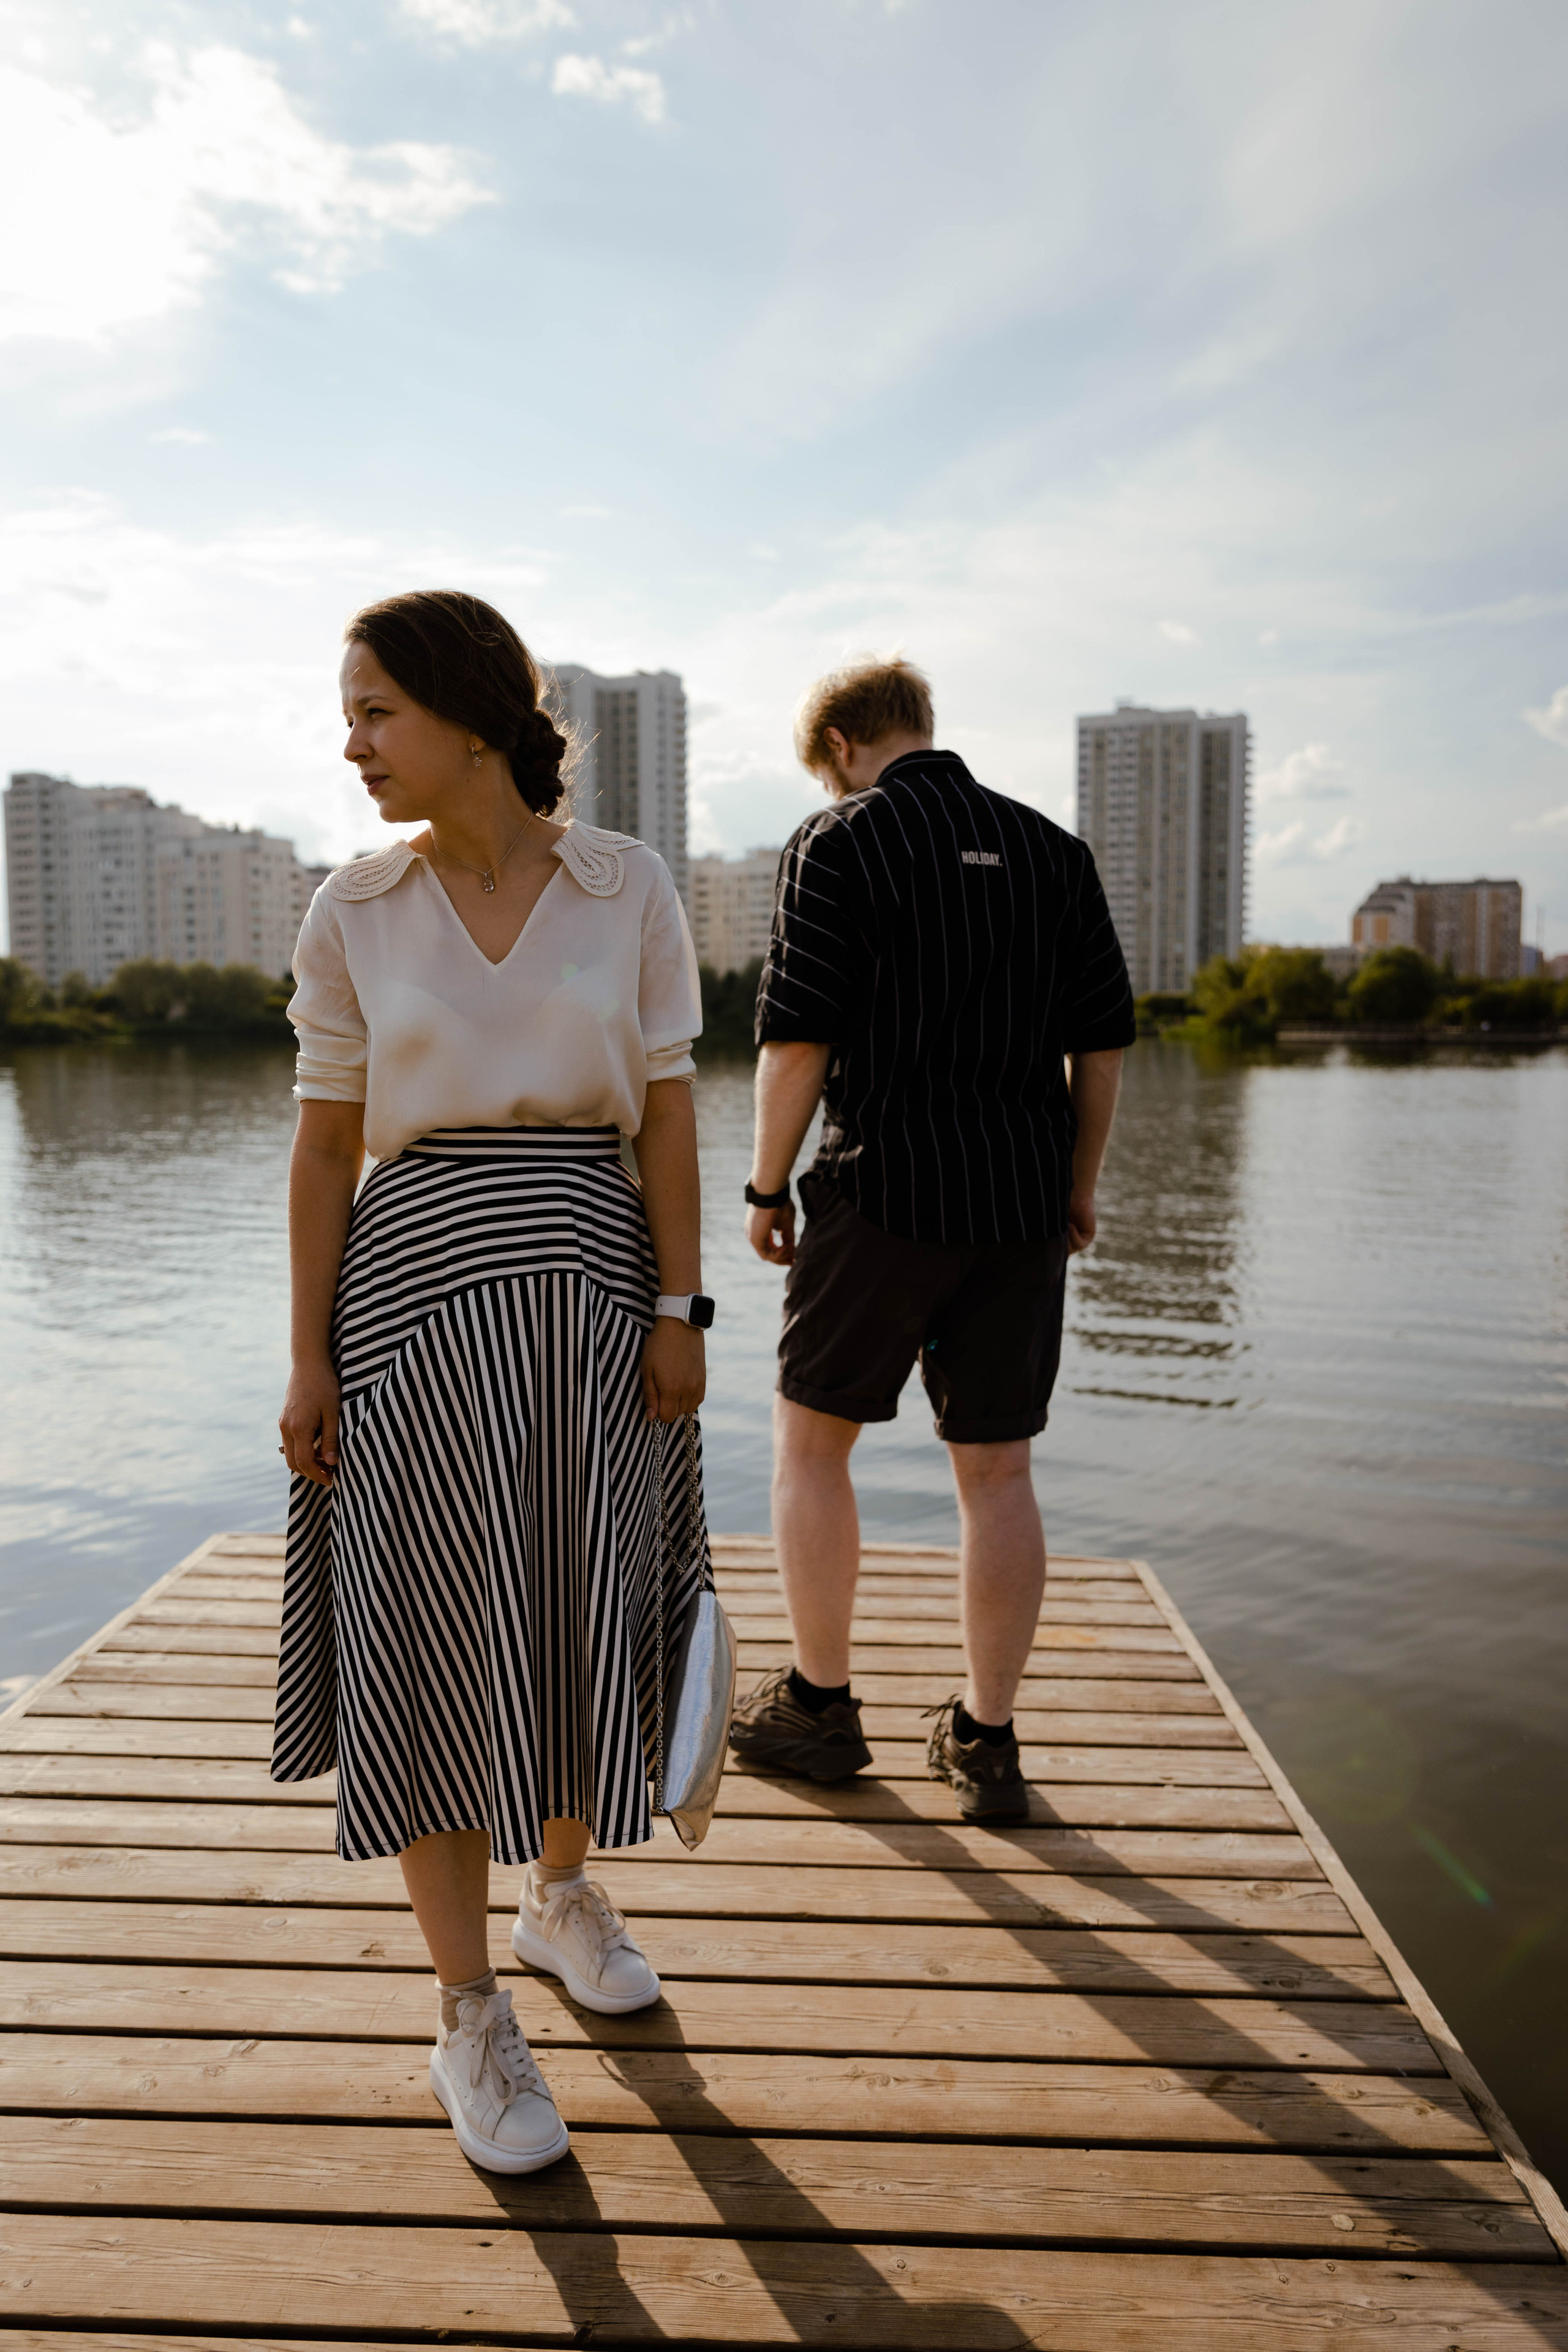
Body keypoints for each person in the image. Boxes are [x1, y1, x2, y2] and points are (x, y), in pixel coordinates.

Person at [273, 590, 715, 2176]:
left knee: (579, 1599)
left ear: (469, 714)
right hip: (411, 1294)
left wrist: (683, 1305)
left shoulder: (626, 885)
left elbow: (665, 1110)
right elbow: (327, 1144)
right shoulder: (355, 907)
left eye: (375, 710)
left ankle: (561, 1891)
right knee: (442, 1631)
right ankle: (466, 2006)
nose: (352, 743)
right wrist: (309, 1351)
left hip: (599, 1283)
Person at [730, 657, 1134, 1823]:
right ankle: (989, 1742)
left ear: (847, 742)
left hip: (885, 1189)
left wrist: (767, 1189)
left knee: (814, 1448)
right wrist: (1077, 1185)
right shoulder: (1056, 852)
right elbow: (1099, 1050)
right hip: (1018, 1203)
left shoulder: (838, 841)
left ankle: (817, 1707)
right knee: (999, 1470)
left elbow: (796, 1042)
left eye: (829, 765)